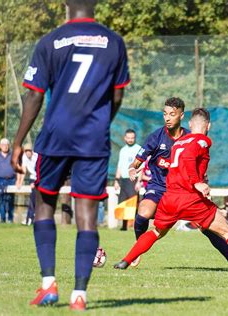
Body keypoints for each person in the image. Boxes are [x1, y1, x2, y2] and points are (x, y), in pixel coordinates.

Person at [11, 0, 130, 310]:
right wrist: (100, 123)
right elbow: (117, 94)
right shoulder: (114, 42)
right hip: (92, 139)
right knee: (87, 216)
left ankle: (48, 285)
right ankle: (80, 296)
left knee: (44, 205)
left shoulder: (50, 41)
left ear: (65, 3)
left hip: (55, 136)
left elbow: (35, 95)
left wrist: (18, 141)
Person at [114, 108, 228, 273]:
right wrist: (197, 183)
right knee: (226, 230)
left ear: (189, 123)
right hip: (189, 197)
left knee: (157, 232)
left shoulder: (180, 143)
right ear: (208, 125)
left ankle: (126, 260)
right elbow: (189, 161)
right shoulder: (202, 141)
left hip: (171, 197)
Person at [114, 129, 141, 231]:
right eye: (128, 138)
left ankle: (135, 226)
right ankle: (124, 226)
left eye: (132, 138)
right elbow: (119, 166)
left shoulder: (138, 149)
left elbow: (142, 166)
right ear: (125, 138)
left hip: (133, 180)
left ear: (135, 138)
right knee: (123, 203)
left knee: (133, 203)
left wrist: (139, 181)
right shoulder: (123, 150)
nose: (130, 140)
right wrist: (116, 180)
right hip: (123, 180)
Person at [0, 138, 20, 223]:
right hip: (0, 180)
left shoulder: (13, 155)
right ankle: (2, 220)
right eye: (3, 145)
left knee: (10, 200)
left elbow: (17, 168)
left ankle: (10, 219)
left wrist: (18, 180)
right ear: (0, 146)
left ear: (9, 146)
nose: (5, 146)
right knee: (2, 200)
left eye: (6, 145)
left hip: (11, 180)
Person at [19, 143, 38, 225]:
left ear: (32, 151)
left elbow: (41, 169)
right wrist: (20, 182)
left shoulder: (37, 156)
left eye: (29, 151)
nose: (27, 153)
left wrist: (36, 182)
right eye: (26, 151)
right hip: (32, 178)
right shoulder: (24, 157)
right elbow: (24, 170)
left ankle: (30, 218)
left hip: (40, 178)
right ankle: (29, 218)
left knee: (36, 199)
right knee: (32, 198)